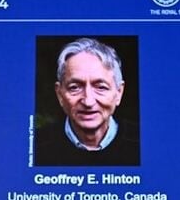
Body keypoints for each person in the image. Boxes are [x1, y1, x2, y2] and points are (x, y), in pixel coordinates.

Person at [34, 37, 140, 166]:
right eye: (75, 87)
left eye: (101, 87)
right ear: (60, 94)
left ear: (118, 92)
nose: (88, 101)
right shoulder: (35, 147)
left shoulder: (143, 143)